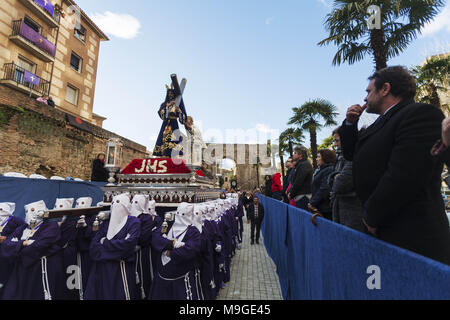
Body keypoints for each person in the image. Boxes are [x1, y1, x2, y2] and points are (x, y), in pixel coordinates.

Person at [339, 65, 450, 265]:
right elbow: (352, 154)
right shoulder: (380, 124)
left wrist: (371, 216)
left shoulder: (419, 114)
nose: (364, 99)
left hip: (412, 236)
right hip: (384, 231)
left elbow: (404, 175)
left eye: (368, 91)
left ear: (385, 89)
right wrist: (349, 125)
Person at [2, 200, 63, 300]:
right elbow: (6, 245)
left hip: (39, 268)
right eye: (26, 211)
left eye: (33, 210)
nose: (29, 214)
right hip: (20, 269)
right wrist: (23, 243)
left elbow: (40, 245)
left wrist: (17, 248)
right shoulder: (23, 228)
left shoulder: (50, 226)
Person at [84, 194, 141, 300]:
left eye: (118, 203)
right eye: (113, 203)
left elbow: (128, 246)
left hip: (119, 270)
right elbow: (93, 248)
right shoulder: (106, 223)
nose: (115, 206)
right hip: (101, 269)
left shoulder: (133, 222)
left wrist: (105, 243)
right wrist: (115, 250)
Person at [149, 202, 202, 300]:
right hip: (161, 279)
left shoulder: (193, 231)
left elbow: (190, 250)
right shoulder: (167, 225)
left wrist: (170, 252)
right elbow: (156, 237)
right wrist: (171, 244)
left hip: (180, 282)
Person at [328, 129, 365, 232]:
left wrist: (336, 178)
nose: (335, 145)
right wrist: (335, 177)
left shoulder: (353, 156)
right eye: (334, 141)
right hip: (342, 211)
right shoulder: (340, 158)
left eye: (337, 141)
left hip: (353, 213)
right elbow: (332, 180)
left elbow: (341, 184)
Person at [0, 202, 26, 298]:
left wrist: (6, 239)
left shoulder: (16, 221)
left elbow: (23, 232)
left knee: (6, 279)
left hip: (7, 255)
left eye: (1, 210)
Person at [308, 149, 336, 220]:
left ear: (325, 158)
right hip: (320, 206)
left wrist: (312, 203)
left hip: (325, 208)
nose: (316, 159)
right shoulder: (321, 169)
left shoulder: (329, 169)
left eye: (318, 157)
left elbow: (324, 189)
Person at [288, 146, 313, 210]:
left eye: (295, 153)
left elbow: (298, 181)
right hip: (300, 196)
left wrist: (291, 194)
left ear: (300, 155)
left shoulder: (304, 165)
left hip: (303, 196)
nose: (293, 154)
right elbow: (293, 181)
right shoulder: (299, 164)